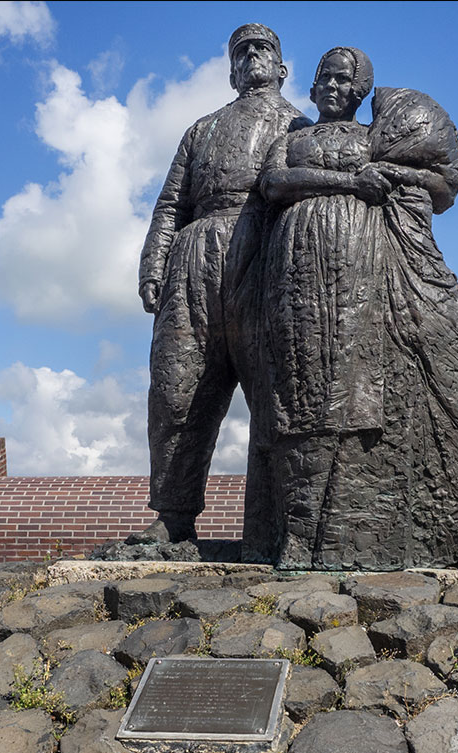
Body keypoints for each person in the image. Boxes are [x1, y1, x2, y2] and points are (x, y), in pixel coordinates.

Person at [243, 46, 458, 569]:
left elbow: (441, 187)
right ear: (312, 87)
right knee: (298, 387)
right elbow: (274, 183)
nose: (337, 88)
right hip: (296, 265)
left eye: (348, 82)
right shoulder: (290, 140)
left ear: (361, 93)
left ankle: (355, 536)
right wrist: (350, 182)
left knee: (357, 387)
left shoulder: (376, 142)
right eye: (328, 79)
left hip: (366, 263)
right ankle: (294, 534)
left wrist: (396, 176)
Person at [134, 24, 310, 544]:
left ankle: (280, 525)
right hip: (193, 260)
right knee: (176, 390)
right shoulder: (201, 129)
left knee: (276, 391)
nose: (253, 55)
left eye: (263, 49)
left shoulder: (302, 127)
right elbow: (171, 204)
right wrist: (153, 264)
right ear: (232, 71)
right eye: (242, 52)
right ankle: (173, 516)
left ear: (281, 67)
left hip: (265, 256)